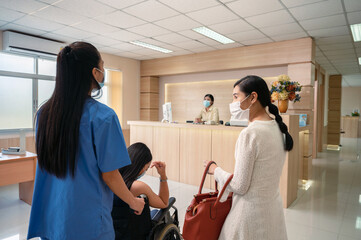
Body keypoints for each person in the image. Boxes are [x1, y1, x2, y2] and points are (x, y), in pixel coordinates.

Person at [27, 42, 144, 240]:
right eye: (102, 65)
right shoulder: (103, 117)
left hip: (52, 216)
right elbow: (110, 176)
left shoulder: (44, 114)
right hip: (86, 222)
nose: (104, 71)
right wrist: (133, 202)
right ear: (94, 73)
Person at [205, 75, 292, 240]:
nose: (233, 103)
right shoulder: (278, 129)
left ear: (253, 97)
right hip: (272, 212)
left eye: (236, 96)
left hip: (249, 217)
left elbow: (239, 185)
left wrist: (215, 170)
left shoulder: (250, 134)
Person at [112, 142, 169, 240]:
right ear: (139, 166)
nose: (144, 172)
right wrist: (163, 175)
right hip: (135, 234)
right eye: (146, 168)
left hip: (113, 232)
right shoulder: (138, 187)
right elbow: (164, 203)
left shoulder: (110, 182)